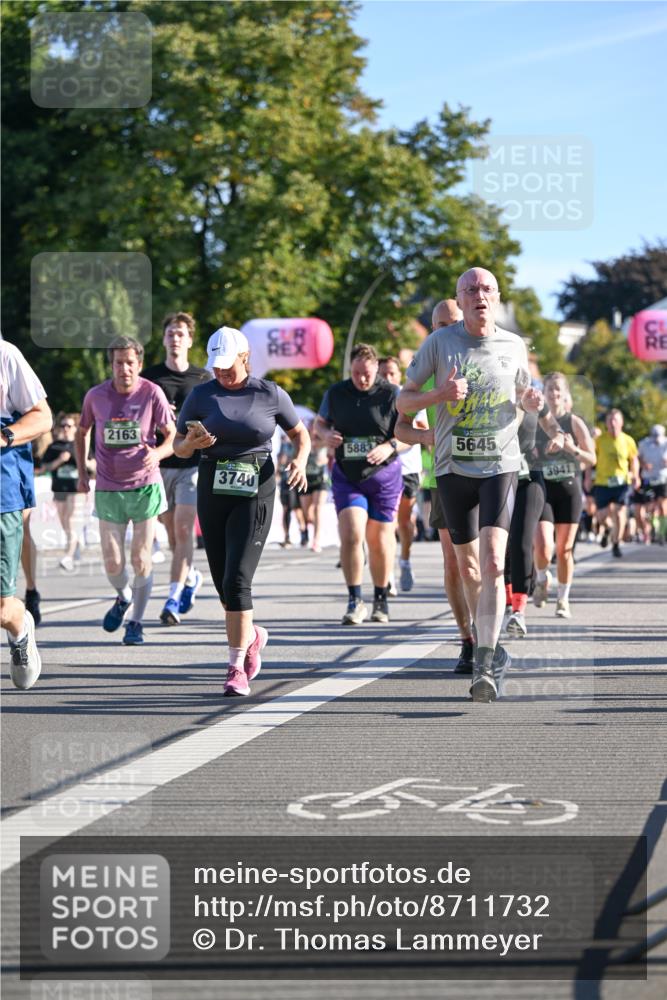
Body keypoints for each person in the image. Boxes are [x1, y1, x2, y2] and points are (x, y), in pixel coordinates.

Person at [397, 268, 565, 702]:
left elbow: (527, 396)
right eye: (470, 289)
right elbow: (403, 400)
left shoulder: (513, 345)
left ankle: (485, 661)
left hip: (500, 466)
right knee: (468, 568)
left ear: (497, 297)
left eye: (487, 289)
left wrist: (532, 403)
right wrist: (439, 395)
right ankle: (483, 640)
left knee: (492, 562)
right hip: (453, 469)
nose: (479, 295)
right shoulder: (439, 343)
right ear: (460, 299)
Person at [174, 325, 309, 696]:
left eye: (228, 365)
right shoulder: (201, 394)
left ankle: (235, 669)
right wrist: (192, 443)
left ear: (245, 358)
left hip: (255, 487)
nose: (221, 372)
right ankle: (251, 636)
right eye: (216, 366)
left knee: (237, 580)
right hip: (212, 484)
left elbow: (300, 434)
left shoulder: (270, 393)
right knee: (223, 585)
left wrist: (300, 460)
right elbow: (178, 446)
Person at [75, 336, 176, 645]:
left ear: (139, 364)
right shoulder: (96, 396)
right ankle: (124, 596)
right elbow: (82, 431)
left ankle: (136, 622)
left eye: (130, 362)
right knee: (112, 561)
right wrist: (82, 472)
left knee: (141, 558)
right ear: (112, 365)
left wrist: (157, 454)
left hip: (145, 485)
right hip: (108, 487)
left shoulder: (152, 393)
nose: (124, 368)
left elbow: (172, 435)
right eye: (119, 363)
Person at [314, 343, 403, 626]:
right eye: (356, 373)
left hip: (384, 477)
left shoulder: (392, 394)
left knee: (379, 541)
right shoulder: (336, 393)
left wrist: (389, 446)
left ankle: (380, 599)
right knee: (352, 534)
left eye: (366, 373)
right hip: (348, 476)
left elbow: (411, 434)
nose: (361, 379)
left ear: (376, 369)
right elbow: (319, 423)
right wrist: (326, 435)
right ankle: (355, 600)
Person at [142, 312, 210, 625]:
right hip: (159, 464)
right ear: (164, 339)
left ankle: (172, 598)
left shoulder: (203, 378)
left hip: (192, 464)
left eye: (181, 333)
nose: (175, 339)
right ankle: (191, 575)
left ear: (190, 340)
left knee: (184, 530)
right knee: (171, 534)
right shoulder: (151, 378)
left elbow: (214, 416)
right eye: (170, 333)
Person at [1, 339, 52, 689]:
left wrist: (4, 436)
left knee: (2, 609)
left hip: (1, 493)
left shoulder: (5, 355)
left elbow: (42, 416)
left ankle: (20, 627)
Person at [532, 373, 596, 618]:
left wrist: (572, 449)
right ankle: (541, 578)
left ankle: (562, 599)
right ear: (544, 392)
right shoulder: (536, 421)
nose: (554, 393)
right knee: (543, 546)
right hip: (544, 490)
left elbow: (591, 459)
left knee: (564, 550)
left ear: (565, 393)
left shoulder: (574, 422)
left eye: (558, 389)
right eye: (550, 388)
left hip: (569, 491)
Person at [378, 356, 428, 592]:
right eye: (383, 374)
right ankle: (387, 572)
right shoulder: (372, 399)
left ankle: (405, 560)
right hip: (383, 469)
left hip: (408, 467)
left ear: (399, 376)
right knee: (387, 521)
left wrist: (394, 443)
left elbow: (420, 430)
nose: (387, 378)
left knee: (405, 522)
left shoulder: (409, 397)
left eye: (392, 374)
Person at [37, 413, 82, 572]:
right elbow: (45, 468)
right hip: (59, 488)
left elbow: (93, 465)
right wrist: (60, 460)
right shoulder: (54, 447)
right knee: (64, 522)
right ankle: (75, 545)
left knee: (70, 520)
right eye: (63, 425)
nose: (66, 428)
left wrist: (82, 461)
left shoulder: (80, 444)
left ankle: (68, 556)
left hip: (76, 489)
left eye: (69, 425)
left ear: (75, 428)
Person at [593, 409, 640, 558]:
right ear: (606, 423)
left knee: (620, 514)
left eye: (615, 420)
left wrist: (636, 475)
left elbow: (634, 460)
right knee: (602, 516)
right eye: (610, 420)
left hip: (622, 482)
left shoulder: (628, 440)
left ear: (621, 423)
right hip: (602, 482)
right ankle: (607, 529)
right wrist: (587, 477)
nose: (613, 423)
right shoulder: (599, 441)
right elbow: (591, 459)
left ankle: (616, 543)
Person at [299, 419, 331, 553]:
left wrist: (327, 458)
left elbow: (330, 453)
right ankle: (318, 528)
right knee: (307, 514)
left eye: (315, 427)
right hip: (306, 480)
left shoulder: (325, 440)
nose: (313, 429)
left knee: (318, 508)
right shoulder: (303, 440)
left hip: (321, 479)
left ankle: (316, 540)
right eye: (311, 427)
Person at [638, 424, 667, 544]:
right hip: (648, 479)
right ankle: (653, 528)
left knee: (662, 505)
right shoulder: (644, 444)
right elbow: (638, 457)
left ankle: (662, 533)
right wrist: (644, 464)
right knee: (650, 506)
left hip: (662, 478)